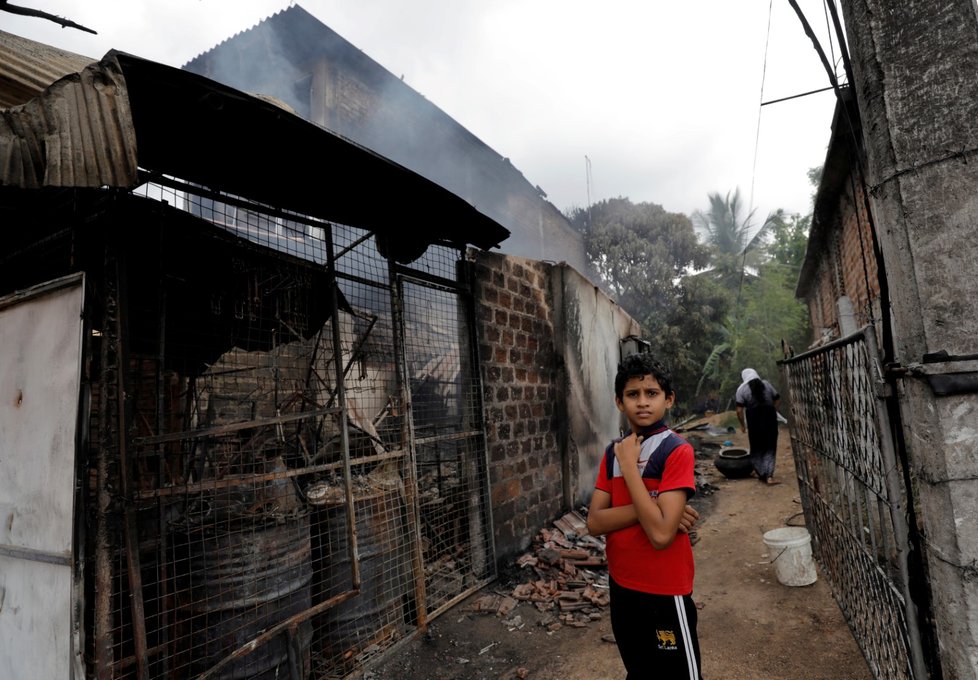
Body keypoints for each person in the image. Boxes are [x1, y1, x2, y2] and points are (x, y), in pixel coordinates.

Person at [587, 352, 702, 680]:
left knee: (678, 675)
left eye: (651, 394)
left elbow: (662, 535)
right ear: (619, 402)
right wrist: (654, 509)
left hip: (664, 590)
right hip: (622, 584)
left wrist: (630, 470)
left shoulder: (676, 450)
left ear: (669, 399)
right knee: (639, 671)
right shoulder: (612, 453)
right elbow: (595, 522)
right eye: (632, 394)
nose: (642, 402)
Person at [735, 367, 782, 485]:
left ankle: (762, 473)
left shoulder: (741, 389)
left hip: (754, 420)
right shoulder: (766, 384)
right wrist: (773, 412)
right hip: (769, 418)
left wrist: (742, 425)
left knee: (756, 447)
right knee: (770, 446)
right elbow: (777, 399)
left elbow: (739, 411)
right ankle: (769, 476)